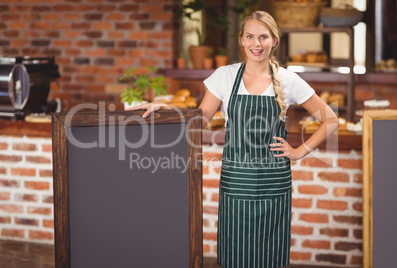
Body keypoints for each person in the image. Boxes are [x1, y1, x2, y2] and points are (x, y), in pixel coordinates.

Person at [128, 10, 339, 268]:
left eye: (263, 37)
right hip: (236, 180)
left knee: (269, 256)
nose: (256, 43)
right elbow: (200, 118)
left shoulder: (288, 79)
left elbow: (331, 119)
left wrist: (299, 151)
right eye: (250, 36)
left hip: (273, 181)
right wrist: (164, 108)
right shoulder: (225, 76)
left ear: (274, 40)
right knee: (234, 254)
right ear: (241, 40)